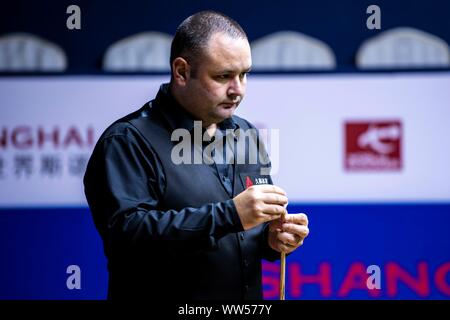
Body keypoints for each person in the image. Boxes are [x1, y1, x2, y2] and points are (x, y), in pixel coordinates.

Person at [84, 10, 309, 300]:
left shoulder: (247, 134)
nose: (238, 90)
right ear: (181, 71)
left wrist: (271, 239)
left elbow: (243, 233)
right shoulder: (127, 140)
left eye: (244, 74)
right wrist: (231, 214)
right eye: (223, 76)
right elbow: (127, 237)